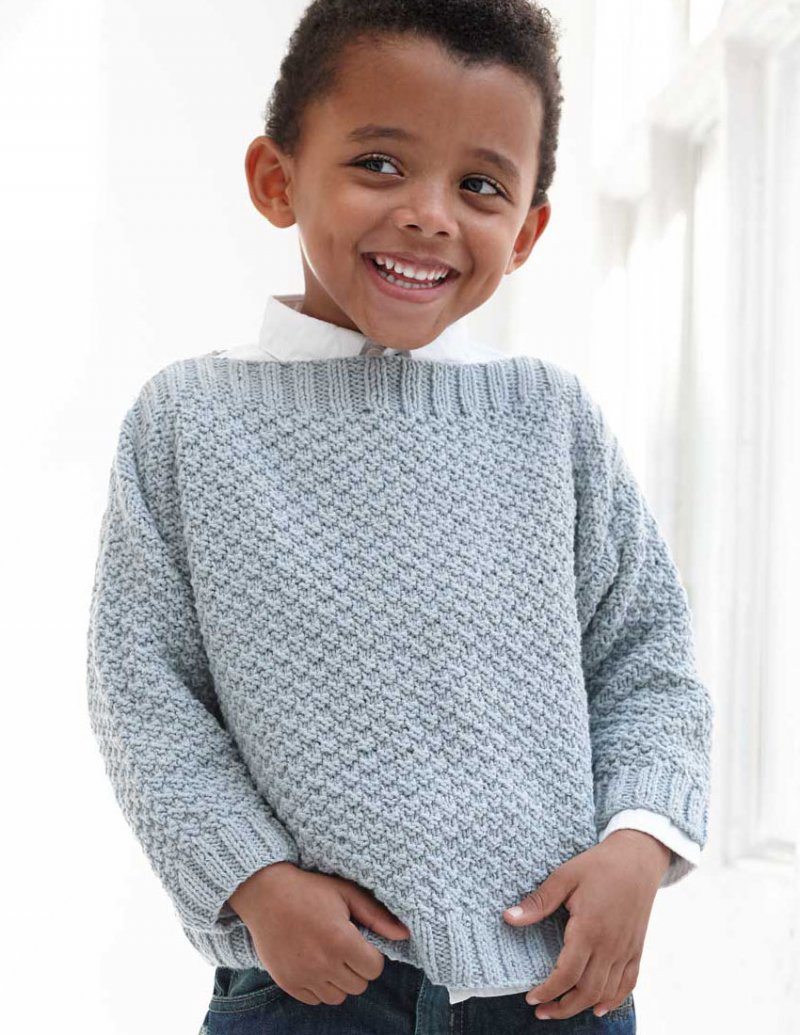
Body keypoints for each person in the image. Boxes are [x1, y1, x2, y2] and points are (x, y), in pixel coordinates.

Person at [85, 2, 714, 1033]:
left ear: (527, 231)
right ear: (276, 178)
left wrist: (640, 843)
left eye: (480, 186)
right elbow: (142, 691)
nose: (429, 215)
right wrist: (253, 880)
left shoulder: (549, 420)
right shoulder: (187, 423)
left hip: (554, 982)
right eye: (379, 164)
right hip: (304, 983)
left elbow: (646, 659)